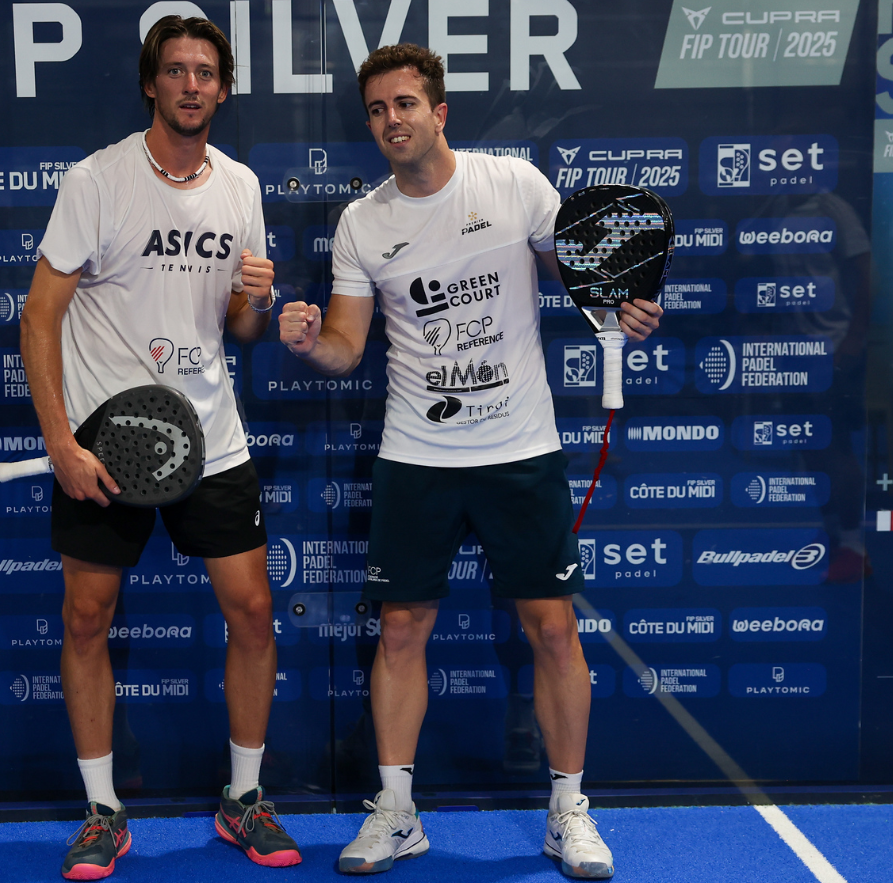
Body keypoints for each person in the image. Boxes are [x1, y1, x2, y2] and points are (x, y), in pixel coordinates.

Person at [278, 44, 662, 879]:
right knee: (400, 628)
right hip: (416, 454)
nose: (391, 120)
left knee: (552, 628)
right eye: (377, 109)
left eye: (405, 103)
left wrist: (619, 308)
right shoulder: (362, 222)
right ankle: (396, 810)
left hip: (518, 449)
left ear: (439, 112)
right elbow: (346, 346)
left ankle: (568, 810)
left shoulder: (512, 185)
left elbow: (585, 279)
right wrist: (309, 344)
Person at [21, 16, 301, 879]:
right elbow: (39, 315)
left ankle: (243, 798)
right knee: (85, 617)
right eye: (175, 70)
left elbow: (239, 328)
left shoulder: (241, 186)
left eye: (205, 73)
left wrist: (258, 301)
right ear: (151, 83)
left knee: (252, 612)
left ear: (222, 89)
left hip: (210, 438)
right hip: (107, 445)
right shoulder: (96, 180)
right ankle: (103, 810)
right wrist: (60, 441)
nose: (190, 85)